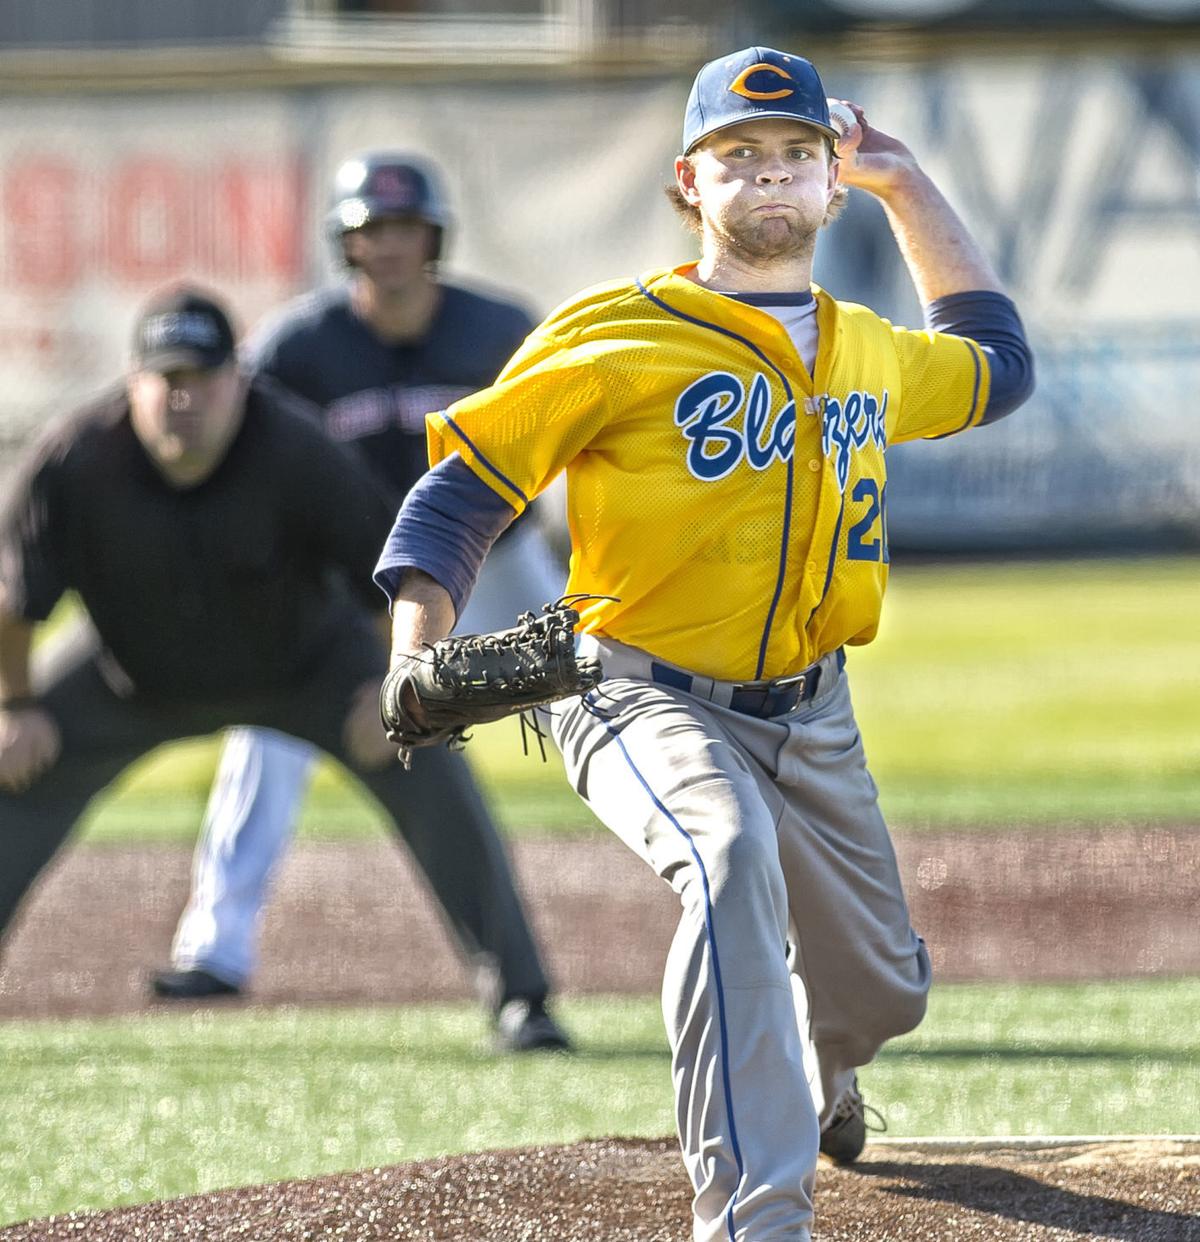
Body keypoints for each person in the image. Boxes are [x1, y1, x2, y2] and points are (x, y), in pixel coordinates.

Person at [373, 47, 1034, 1242]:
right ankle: (752, 1216)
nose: (771, 180)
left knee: (884, 992)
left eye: (796, 157)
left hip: (814, 710)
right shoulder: (617, 333)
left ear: (831, 183)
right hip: (636, 691)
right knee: (724, 861)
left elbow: (1000, 368)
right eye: (741, 158)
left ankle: (822, 1062)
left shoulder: (870, 348)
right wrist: (415, 644)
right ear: (691, 179)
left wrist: (908, 181)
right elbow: (462, 493)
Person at [0, 285, 565, 1053]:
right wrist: (16, 708)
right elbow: (12, 604)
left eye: (201, 378)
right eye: (165, 379)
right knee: (14, 769)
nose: (182, 398)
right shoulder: (75, 459)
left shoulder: (296, 445)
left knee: (426, 757)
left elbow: (389, 567)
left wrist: (390, 685)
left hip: (307, 669)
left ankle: (520, 1001)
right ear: (131, 382)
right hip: (131, 676)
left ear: (240, 379)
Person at [150, 156, 567, 1051]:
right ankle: (215, 947)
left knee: (605, 680)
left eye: (404, 229)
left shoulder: (499, 329)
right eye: (370, 232)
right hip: (347, 573)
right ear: (347, 244)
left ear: (433, 238)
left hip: (492, 556)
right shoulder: (300, 347)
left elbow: (563, 439)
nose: (388, 247)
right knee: (268, 731)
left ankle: (712, 869)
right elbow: (246, 450)